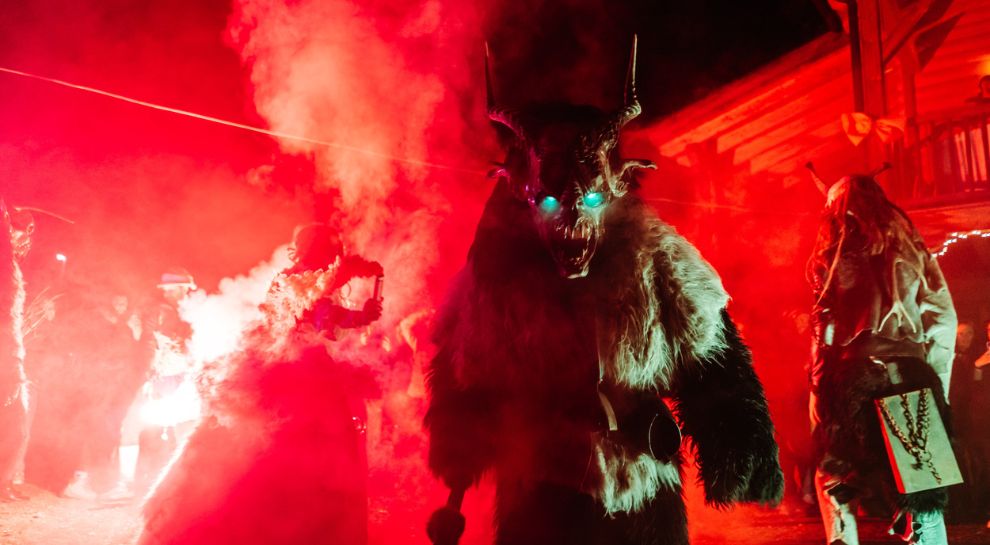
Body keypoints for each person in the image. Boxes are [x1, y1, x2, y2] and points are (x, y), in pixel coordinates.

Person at [139, 222, 383, 545]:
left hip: (285, 370)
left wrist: (357, 312)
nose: (335, 254)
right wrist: (359, 314)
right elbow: (321, 316)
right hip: (302, 374)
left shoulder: (295, 278)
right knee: (309, 445)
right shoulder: (302, 280)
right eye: (331, 248)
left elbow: (321, 318)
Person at [806, 169, 957, 545]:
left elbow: (823, 331)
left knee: (835, 476)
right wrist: (939, 385)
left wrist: (819, 393)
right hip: (909, 371)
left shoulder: (831, 250)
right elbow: (943, 319)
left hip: (853, 376)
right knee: (922, 487)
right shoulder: (910, 246)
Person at [0, 203, 32, 502]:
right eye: (17, 234)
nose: (22, 242)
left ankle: (4, 481)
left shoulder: (11, 267)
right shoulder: (4, 266)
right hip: (5, 353)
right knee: (14, 422)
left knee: (16, 423)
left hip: (10, 351)